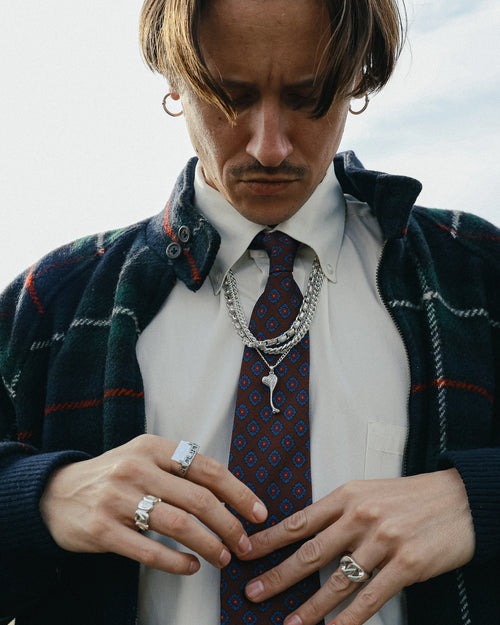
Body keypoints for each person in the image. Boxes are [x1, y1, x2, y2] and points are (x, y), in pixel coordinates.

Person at [0, 0, 499, 624]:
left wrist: (478, 499)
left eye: (308, 97)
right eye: (229, 97)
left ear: (358, 79)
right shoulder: (54, 300)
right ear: (174, 80)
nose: (269, 147)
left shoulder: (478, 274)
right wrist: (40, 498)